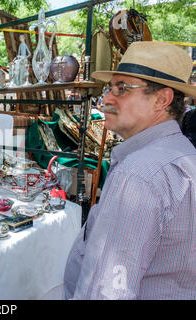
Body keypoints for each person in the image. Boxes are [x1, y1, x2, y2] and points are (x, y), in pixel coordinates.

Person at [63, 41, 196, 299]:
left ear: (162, 99)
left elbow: (108, 290)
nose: (107, 98)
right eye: (109, 87)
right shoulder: (184, 155)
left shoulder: (139, 174)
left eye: (122, 88)